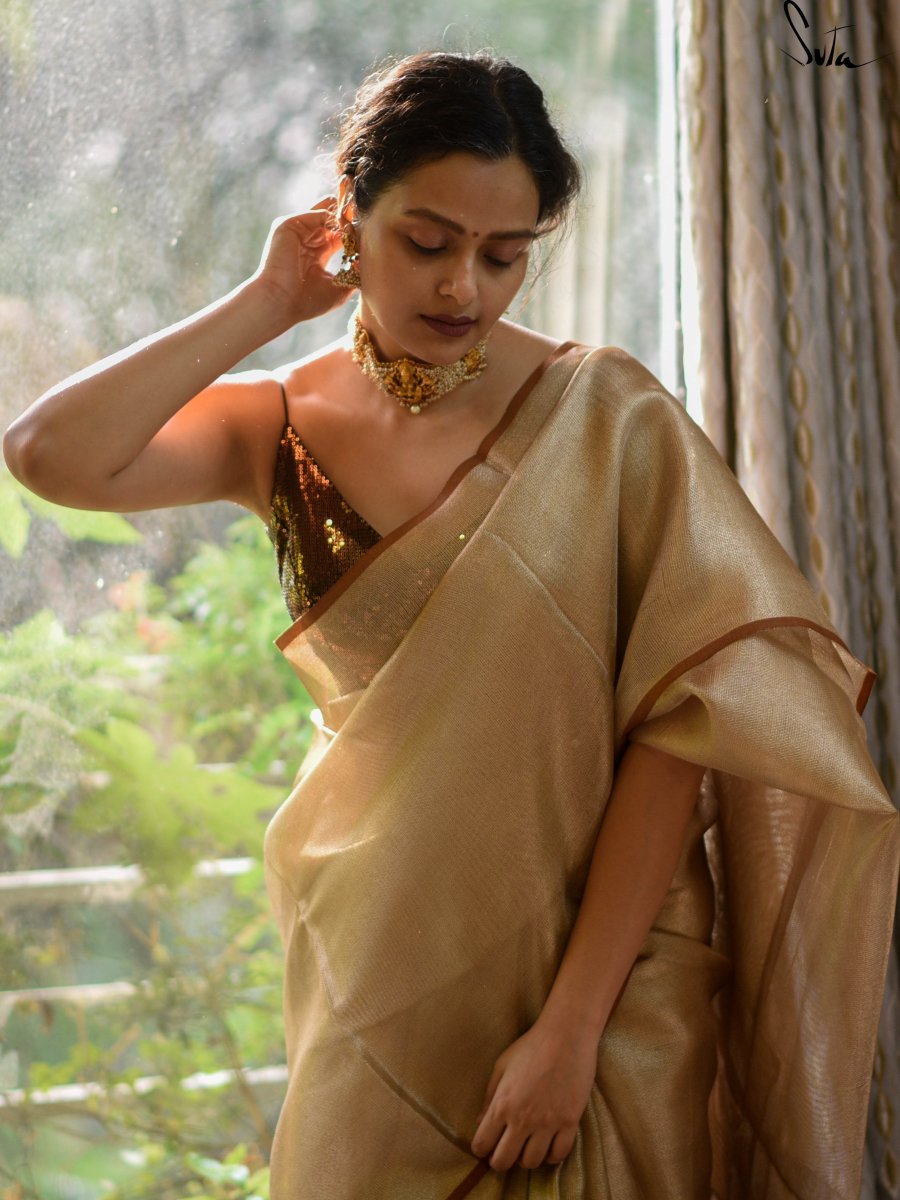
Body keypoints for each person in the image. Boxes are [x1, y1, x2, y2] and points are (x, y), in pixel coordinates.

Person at [3, 49, 898, 1200]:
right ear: (349, 217)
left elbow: (680, 730)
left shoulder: (606, 416)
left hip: (606, 982)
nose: (463, 288)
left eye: (504, 255)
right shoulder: (279, 427)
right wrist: (266, 302)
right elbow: (49, 454)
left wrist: (572, 1029)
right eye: (427, 242)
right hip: (379, 959)